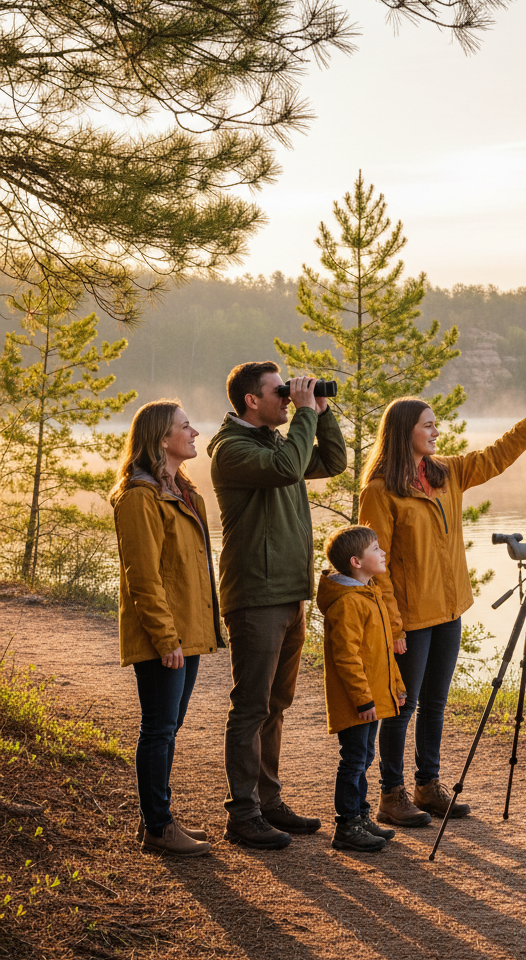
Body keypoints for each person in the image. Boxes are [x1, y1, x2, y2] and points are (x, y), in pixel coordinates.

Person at [359, 396, 526, 827]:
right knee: (401, 706)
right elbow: (376, 567)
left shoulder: (445, 472)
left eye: (436, 425)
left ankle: (427, 786)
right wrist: (392, 624)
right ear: (403, 432)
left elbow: (491, 459)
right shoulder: (379, 492)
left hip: (449, 611)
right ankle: (391, 795)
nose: (436, 432)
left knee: (435, 702)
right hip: (410, 619)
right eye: (427, 426)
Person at [209, 361, 347, 849]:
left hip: (288, 592)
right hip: (256, 595)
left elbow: (331, 463)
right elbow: (290, 467)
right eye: (279, 391)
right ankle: (242, 813)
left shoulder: (272, 443)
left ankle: (267, 802)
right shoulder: (233, 450)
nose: (289, 397)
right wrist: (305, 411)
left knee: (276, 705)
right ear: (251, 399)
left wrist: (322, 412)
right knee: (250, 707)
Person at [111, 401, 222, 857]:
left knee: (168, 727)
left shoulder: (178, 488)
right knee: (158, 728)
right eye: (185, 426)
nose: (194, 432)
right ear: (161, 438)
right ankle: (158, 826)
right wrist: (165, 638)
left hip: (186, 631)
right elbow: (145, 576)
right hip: (167, 636)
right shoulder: (140, 495)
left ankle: (158, 820)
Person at [317, 525, 407, 853]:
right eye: (375, 549)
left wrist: (396, 686)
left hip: (371, 698)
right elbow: (347, 657)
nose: (382, 553)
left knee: (365, 755)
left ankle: (361, 815)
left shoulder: (370, 595)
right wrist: (363, 698)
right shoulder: (347, 603)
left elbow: (382, 651)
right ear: (356, 561)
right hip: (357, 701)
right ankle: (347, 825)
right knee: (354, 758)